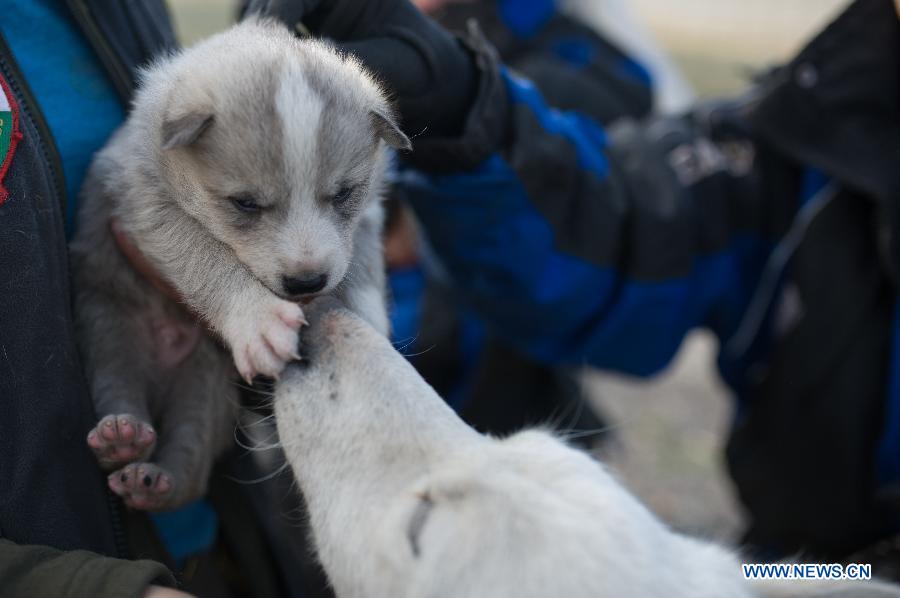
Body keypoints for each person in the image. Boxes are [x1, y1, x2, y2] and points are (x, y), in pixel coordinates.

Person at [254, 0, 900, 567]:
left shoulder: (594, 63)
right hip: (804, 574)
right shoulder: (813, 123)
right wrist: (460, 108)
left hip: (496, 416)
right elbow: (619, 233)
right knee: (716, 580)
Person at [0, 2, 331, 596]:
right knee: (116, 360)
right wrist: (79, 587)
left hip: (223, 544)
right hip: (76, 563)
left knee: (188, 390)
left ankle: (173, 469)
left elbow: (195, 168)